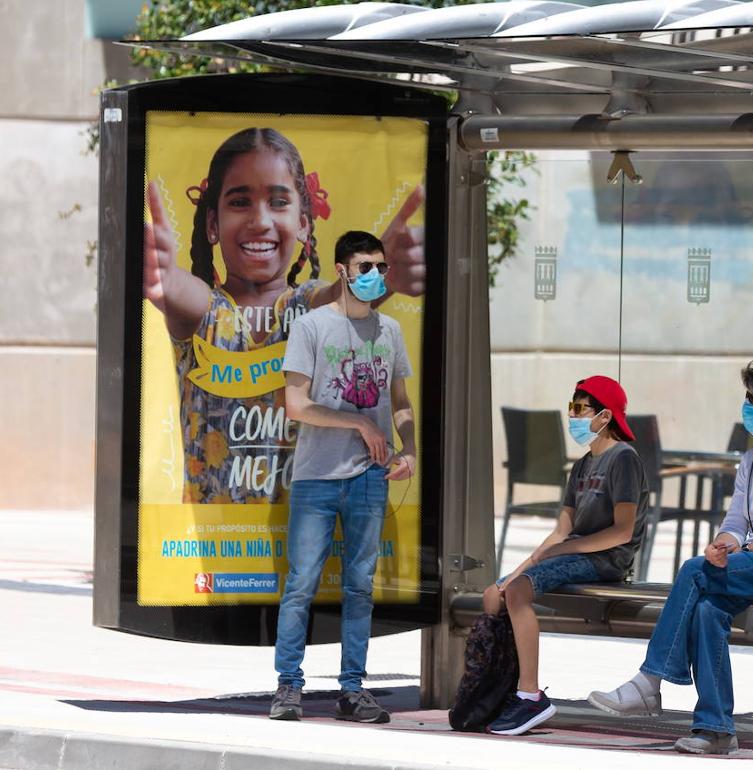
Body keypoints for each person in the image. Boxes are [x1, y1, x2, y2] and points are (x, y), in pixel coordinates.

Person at [142, 126, 425, 503]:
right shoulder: (207, 310)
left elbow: (335, 298)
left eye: (278, 202)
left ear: (304, 224)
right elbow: (184, 294)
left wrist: (376, 273)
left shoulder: (306, 305)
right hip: (219, 547)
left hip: (307, 538)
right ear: (213, 224)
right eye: (240, 202)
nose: (260, 220)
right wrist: (167, 279)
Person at [587, 363, 753, 755]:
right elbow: (736, 521)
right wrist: (722, 544)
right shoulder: (752, 460)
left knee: (692, 571)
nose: (746, 406)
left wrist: (747, 549)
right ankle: (716, 729)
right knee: (707, 609)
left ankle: (650, 680)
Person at [268, 231, 417, 723]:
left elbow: (399, 402)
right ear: (342, 270)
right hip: (316, 478)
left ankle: (353, 690)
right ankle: (288, 686)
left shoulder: (389, 331)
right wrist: (356, 421)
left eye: (380, 266)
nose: (374, 275)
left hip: (369, 479)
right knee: (302, 584)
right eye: (364, 267)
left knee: (359, 586)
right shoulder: (312, 328)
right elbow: (296, 404)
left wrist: (409, 448)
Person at [481, 376, 650, 736]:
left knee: (519, 591)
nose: (570, 415)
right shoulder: (582, 465)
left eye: (578, 408)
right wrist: (518, 569)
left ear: (604, 416)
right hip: (575, 553)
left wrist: (566, 548)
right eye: (570, 407)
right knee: (495, 592)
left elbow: (622, 531)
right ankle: (499, 688)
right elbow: (559, 532)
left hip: (608, 559)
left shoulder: (624, 459)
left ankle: (530, 696)